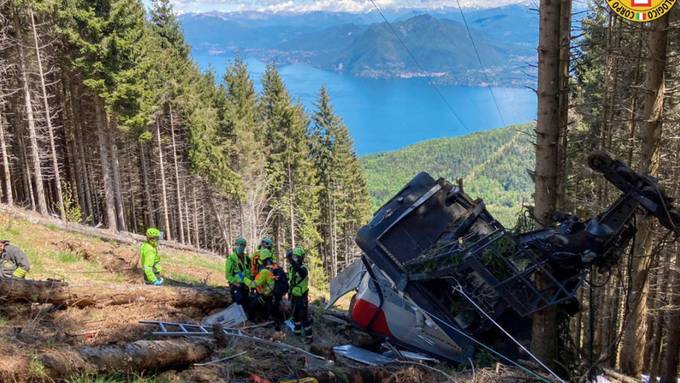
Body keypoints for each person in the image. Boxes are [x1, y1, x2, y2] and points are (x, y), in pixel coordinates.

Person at [287, 247, 312, 343]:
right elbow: (291, 282)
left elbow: (299, 271)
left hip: (302, 297)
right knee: (295, 316)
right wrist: (289, 294)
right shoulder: (291, 268)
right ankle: (297, 333)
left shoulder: (303, 269)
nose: (295, 259)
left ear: (301, 258)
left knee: (303, 317)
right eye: (294, 257)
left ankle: (309, 337)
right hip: (294, 296)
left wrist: (290, 260)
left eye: (297, 257)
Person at [247, 248, 276, 322]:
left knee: (251, 306)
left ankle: (252, 320)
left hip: (264, 295)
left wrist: (243, 278)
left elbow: (253, 284)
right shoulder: (272, 267)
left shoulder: (264, 271)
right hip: (269, 294)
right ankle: (265, 317)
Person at [225, 237, 252, 306]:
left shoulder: (247, 259)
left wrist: (248, 283)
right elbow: (228, 275)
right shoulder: (231, 259)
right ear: (236, 245)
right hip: (236, 285)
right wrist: (235, 282)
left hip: (245, 285)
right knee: (238, 302)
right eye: (238, 244)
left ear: (244, 246)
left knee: (246, 303)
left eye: (242, 245)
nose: (240, 246)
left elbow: (250, 272)